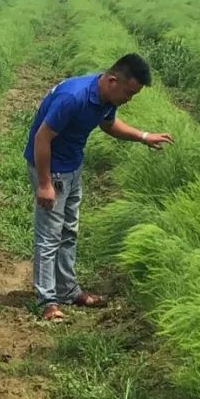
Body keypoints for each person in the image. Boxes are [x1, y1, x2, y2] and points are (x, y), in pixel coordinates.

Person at [24, 53, 173, 321]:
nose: (129, 99)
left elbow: (109, 124)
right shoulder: (74, 97)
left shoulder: (105, 97)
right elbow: (42, 138)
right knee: (49, 236)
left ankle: (68, 290)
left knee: (69, 230)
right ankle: (47, 301)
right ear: (113, 80)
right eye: (128, 93)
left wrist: (143, 136)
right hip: (51, 167)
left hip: (72, 166)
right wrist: (45, 184)